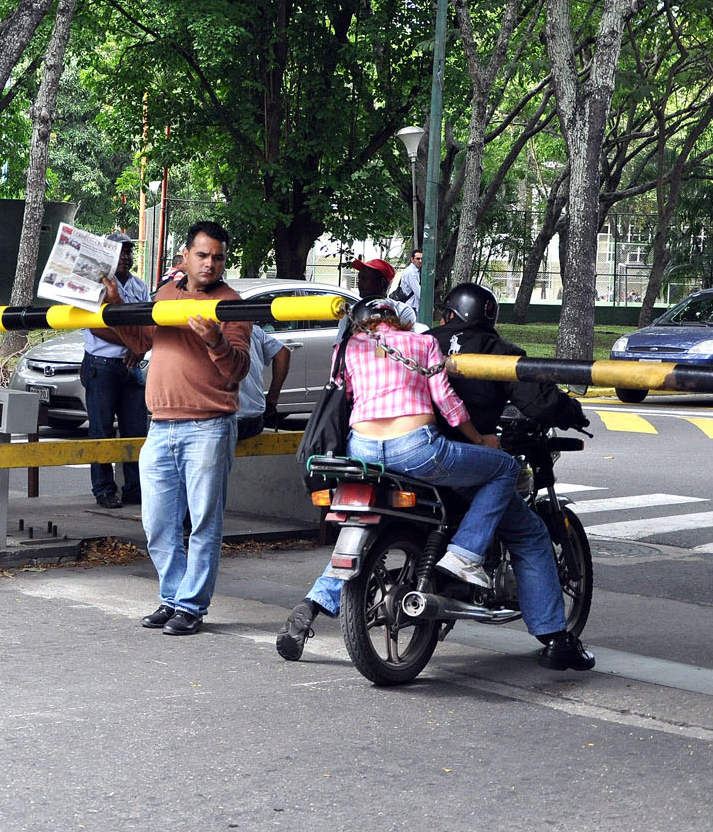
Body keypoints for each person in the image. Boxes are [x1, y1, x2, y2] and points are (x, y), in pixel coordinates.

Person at [274, 295, 595, 671]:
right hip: (428, 455)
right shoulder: (461, 347)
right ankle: (547, 628)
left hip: (363, 451)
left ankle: (312, 605)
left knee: (371, 526)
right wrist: (486, 437)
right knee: (520, 511)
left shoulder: (355, 346)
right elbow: (486, 402)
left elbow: (345, 396)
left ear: (447, 315)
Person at [104, 220, 250, 636]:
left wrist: (216, 342)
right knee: (157, 523)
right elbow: (140, 342)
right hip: (161, 426)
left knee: (204, 523)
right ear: (183, 257)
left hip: (209, 426)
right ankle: (172, 598)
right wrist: (115, 306)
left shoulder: (232, 304)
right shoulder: (166, 294)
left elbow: (238, 369)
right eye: (202, 255)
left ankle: (191, 605)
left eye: (218, 257)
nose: (209, 264)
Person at [80, 231, 150, 509]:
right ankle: (104, 489)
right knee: (101, 431)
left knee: (136, 432)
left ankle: (135, 489)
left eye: (128, 251)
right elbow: (97, 327)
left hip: (132, 366)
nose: (125, 257)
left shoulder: (139, 286)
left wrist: (140, 348)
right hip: (102, 366)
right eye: (119, 252)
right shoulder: (94, 286)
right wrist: (134, 342)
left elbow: (148, 325)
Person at [236, 325, 289, 441]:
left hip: (227, 421)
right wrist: (272, 398)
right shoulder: (252, 329)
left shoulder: (201, 329)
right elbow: (283, 352)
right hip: (254, 419)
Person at [393, 248, 423, 316]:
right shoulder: (410, 272)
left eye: (421, 259)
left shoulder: (414, 271)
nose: (420, 261)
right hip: (410, 306)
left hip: (412, 305)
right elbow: (418, 291)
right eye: (417, 258)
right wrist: (428, 304)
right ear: (412, 259)